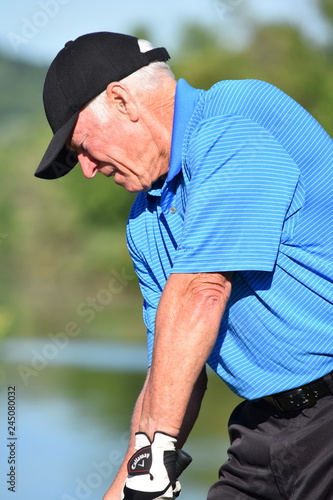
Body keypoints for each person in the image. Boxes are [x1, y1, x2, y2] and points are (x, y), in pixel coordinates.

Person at [35, 32, 333, 500]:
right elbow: (172, 371)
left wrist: (152, 468)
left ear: (121, 100)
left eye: (81, 146)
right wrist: (124, 485)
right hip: (263, 432)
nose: (87, 170)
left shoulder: (234, 115)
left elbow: (202, 291)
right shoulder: (145, 222)